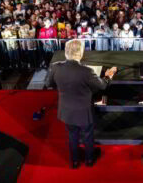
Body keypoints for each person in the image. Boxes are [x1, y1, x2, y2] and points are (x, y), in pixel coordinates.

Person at [46, 40, 117, 169]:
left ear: (66, 52)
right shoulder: (86, 71)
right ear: (80, 53)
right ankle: (90, 160)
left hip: (66, 110)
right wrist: (108, 76)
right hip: (84, 111)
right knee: (88, 135)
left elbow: (49, 84)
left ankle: (74, 161)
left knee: (72, 135)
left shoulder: (55, 67)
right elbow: (102, 85)